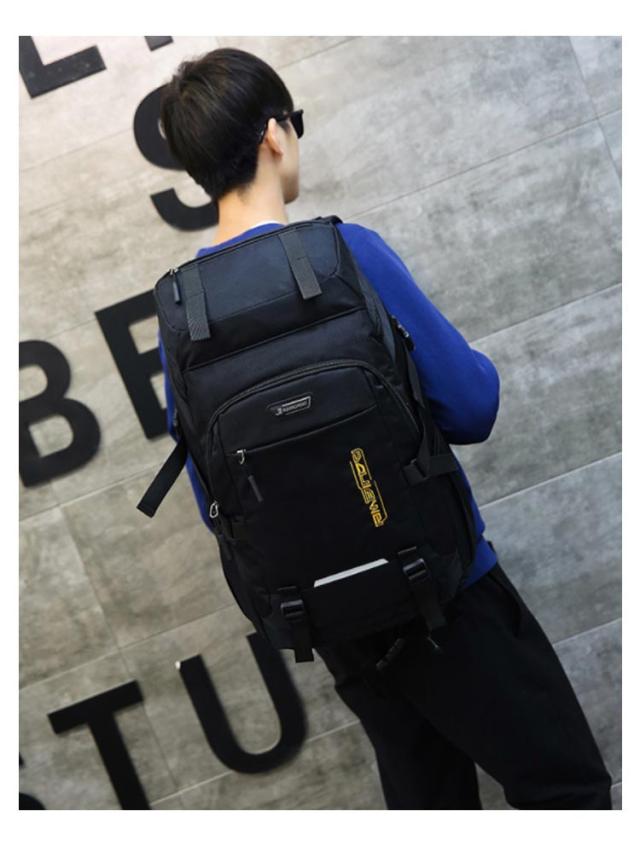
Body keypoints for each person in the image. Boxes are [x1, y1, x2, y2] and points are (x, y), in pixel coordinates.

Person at [157, 46, 612, 810]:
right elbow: (472, 406)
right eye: (295, 124)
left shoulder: (180, 311)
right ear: (273, 135)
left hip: (332, 624)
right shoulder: (344, 252)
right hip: (448, 594)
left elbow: (215, 499)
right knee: (565, 790)